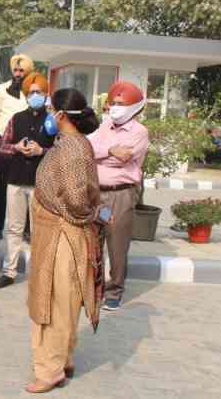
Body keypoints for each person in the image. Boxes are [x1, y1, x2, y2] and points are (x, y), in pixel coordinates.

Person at [26, 88, 107, 394]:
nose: (47, 113)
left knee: (55, 304)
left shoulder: (73, 148)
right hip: (57, 234)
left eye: (50, 108)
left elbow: (75, 199)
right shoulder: (71, 143)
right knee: (66, 302)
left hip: (64, 235)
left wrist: (79, 213)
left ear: (60, 114)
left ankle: (50, 371)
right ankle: (65, 359)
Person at [87, 81, 148, 311]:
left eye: (120, 104)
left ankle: (114, 291)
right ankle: (95, 287)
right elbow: (86, 148)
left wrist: (102, 154)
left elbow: (122, 158)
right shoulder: (105, 126)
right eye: (112, 103)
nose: (115, 107)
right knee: (95, 241)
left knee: (117, 245)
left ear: (134, 107)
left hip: (120, 196)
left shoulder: (139, 132)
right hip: (98, 195)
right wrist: (111, 150)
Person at [0, 73, 55, 289]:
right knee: (14, 228)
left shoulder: (53, 120)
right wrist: (17, 147)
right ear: (26, 95)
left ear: (46, 94)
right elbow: (2, 146)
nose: (35, 95)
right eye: (31, 92)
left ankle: (39, 273)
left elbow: (62, 149)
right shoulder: (16, 118)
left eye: (39, 92)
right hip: (16, 180)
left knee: (39, 230)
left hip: (40, 182)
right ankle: (9, 271)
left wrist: (42, 150)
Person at [0, 54, 32, 243]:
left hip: (28, 146)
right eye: (16, 70)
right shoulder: (1, 90)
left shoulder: (33, 90)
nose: (19, 73)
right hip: (4, 145)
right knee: (1, 187)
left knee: (28, 188)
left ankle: (27, 230)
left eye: (22, 70)